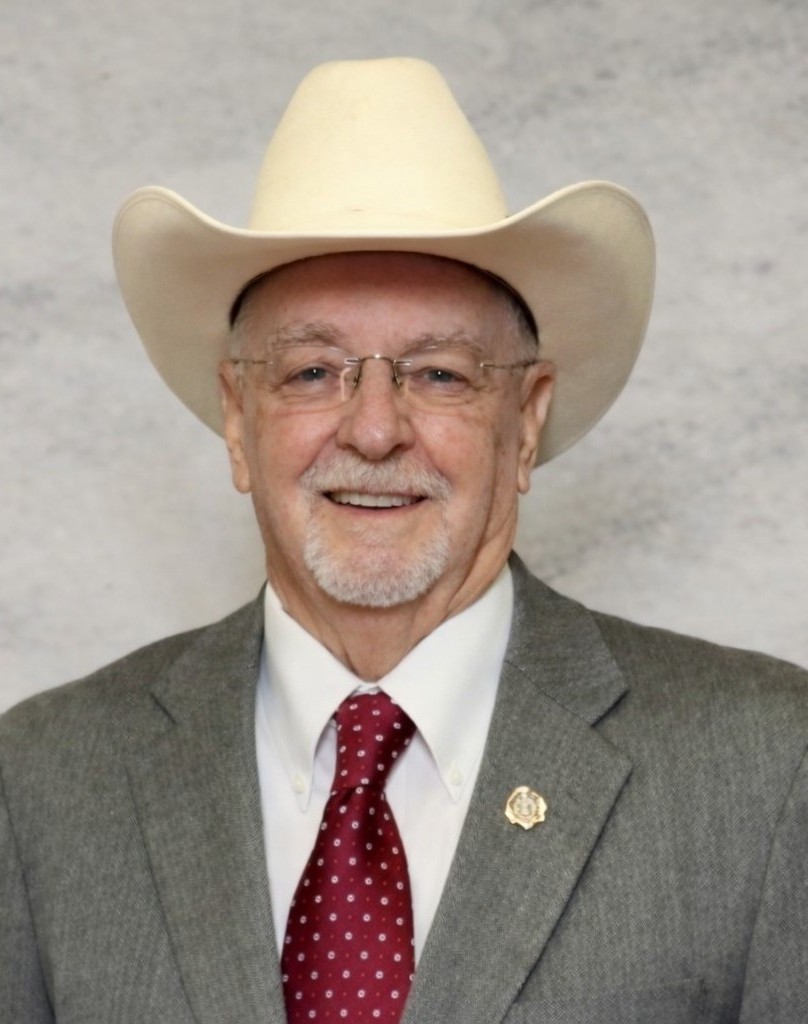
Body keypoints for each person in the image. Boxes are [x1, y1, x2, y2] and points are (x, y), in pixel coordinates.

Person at [1, 58, 806, 1024]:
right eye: (311, 372)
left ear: (526, 422)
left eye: (439, 374)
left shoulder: (766, 768)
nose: (375, 429)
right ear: (237, 419)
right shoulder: (41, 785)